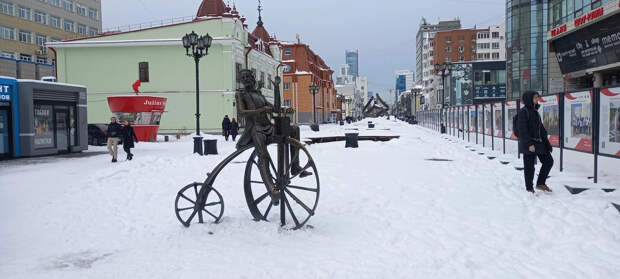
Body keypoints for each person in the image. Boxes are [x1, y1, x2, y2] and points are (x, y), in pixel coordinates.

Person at [235, 69, 311, 205]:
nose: (246, 79)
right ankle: (271, 189)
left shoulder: (259, 94)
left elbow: (275, 108)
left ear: (253, 78)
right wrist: (261, 110)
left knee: (294, 130)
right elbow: (241, 113)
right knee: (263, 157)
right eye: (243, 77)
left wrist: (276, 88)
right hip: (256, 130)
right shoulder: (241, 94)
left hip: (269, 128)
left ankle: (295, 166)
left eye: (248, 77)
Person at [518, 91, 553, 193]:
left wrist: (547, 144)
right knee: (529, 167)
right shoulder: (523, 112)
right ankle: (529, 188)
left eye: (538, 97)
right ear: (529, 99)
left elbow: (541, 130)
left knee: (548, 161)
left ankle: (540, 183)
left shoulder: (535, 112)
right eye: (535, 97)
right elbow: (522, 130)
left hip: (538, 142)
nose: (537, 99)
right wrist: (529, 144)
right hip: (528, 143)